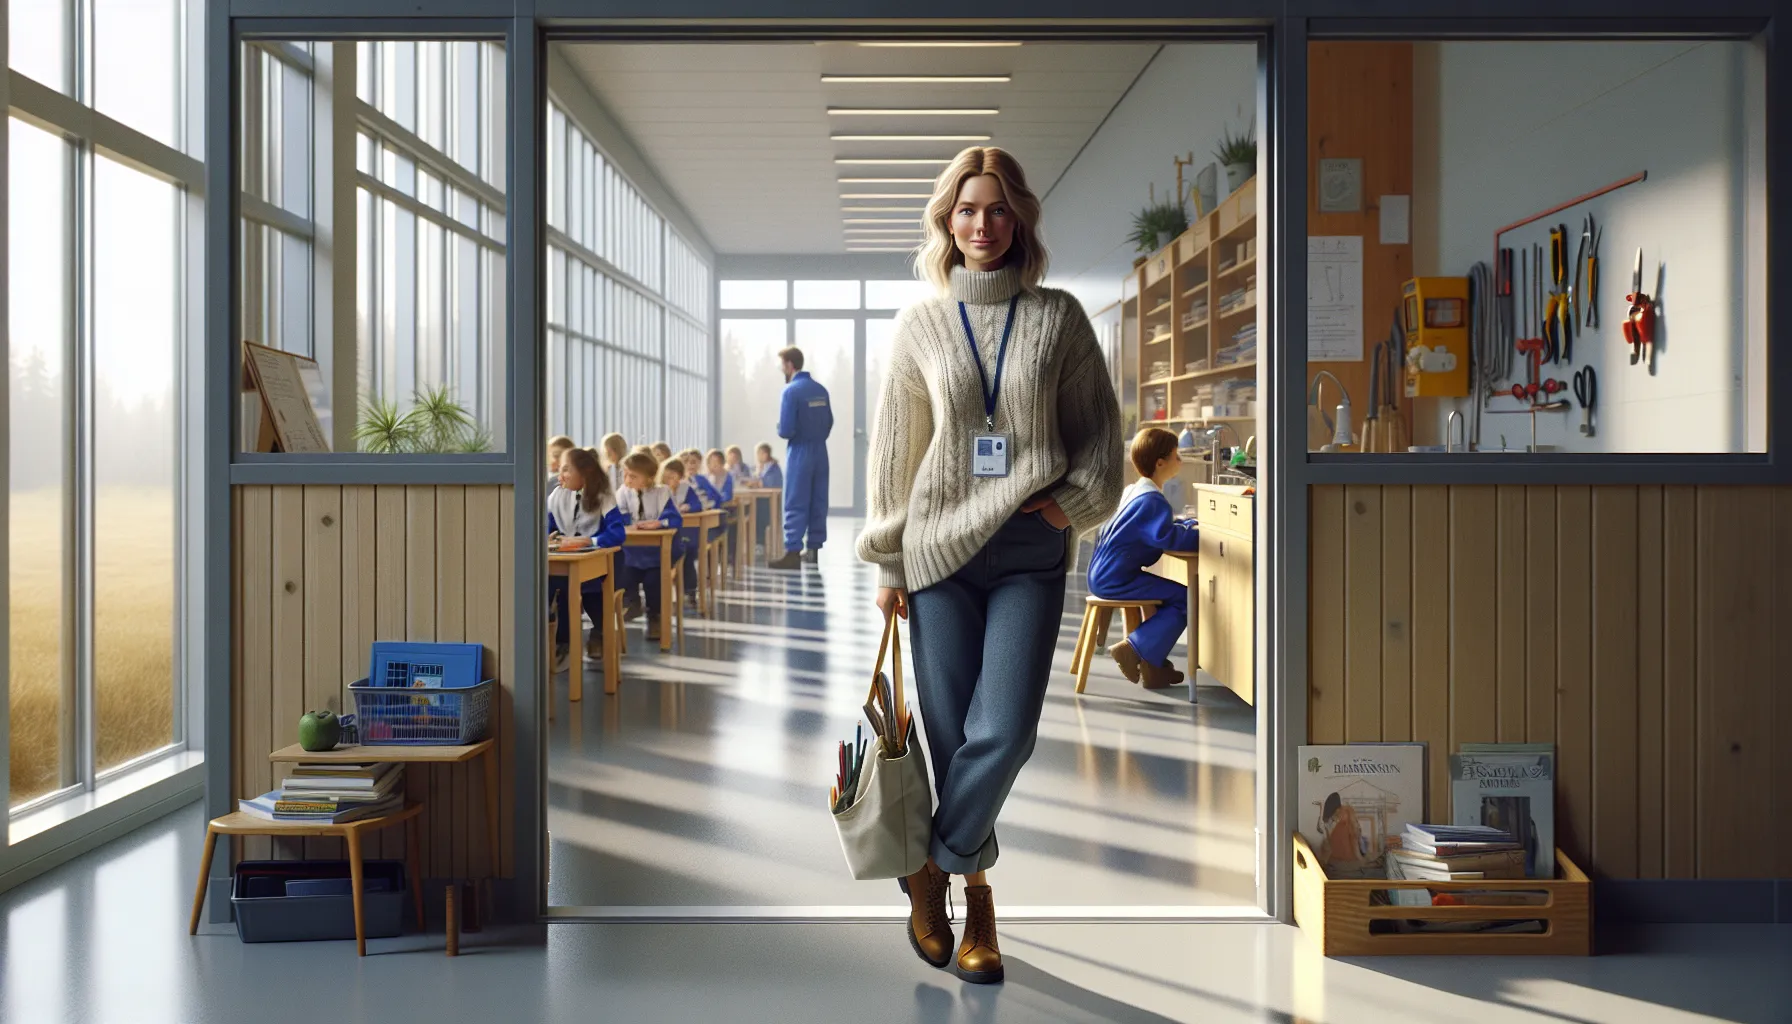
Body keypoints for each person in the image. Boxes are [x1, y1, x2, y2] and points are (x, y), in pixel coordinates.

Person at [856, 146, 1123, 984]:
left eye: (998, 209)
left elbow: (1101, 439)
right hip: (937, 552)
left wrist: (1067, 504)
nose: (982, 224)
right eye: (967, 210)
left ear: (1021, 220)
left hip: (1029, 550)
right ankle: (975, 898)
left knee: (1003, 731)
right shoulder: (920, 325)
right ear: (946, 221)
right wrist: (888, 563)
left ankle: (930, 867)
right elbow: (895, 454)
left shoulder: (1061, 317)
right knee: (948, 736)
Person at [1088, 427, 1199, 691]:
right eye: (1177, 456)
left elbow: (1160, 531)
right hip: (1116, 578)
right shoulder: (1152, 501)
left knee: (1171, 596)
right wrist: (1203, 534)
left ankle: (1153, 666)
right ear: (1161, 463)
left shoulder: (1133, 492)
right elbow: (1170, 538)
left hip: (1104, 573)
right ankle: (1135, 649)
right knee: (1185, 598)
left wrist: (1186, 524)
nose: (1180, 461)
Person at [546, 447, 626, 672]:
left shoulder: (604, 497)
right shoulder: (555, 496)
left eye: (566, 470)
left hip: (601, 567)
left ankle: (592, 634)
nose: (560, 476)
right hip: (567, 564)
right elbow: (548, 528)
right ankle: (557, 637)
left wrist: (589, 541)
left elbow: (618, 534)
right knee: (558, 585)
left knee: (579, 590)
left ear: (585, 473)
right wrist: (550, 537)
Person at [769, 347, 833, 570]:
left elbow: (786, 430)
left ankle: (793, 551)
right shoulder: (821, 390)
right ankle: (813, 550)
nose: (781, 369)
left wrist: (779, 427)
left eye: (781, 365)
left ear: (789, 365)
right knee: (818, 499)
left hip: (799, 452)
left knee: (795, 500)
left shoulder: (790, 391)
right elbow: (828, 424)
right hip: (820, 451)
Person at [615, 451, 682, 643]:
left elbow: (675, 518)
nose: (627, 479)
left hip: (657, 553)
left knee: (654, 580)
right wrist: (626, 522)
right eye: (625, 474)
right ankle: (632, 602)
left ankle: (655, 616)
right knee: (624, 574)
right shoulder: (622, 493)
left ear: (649, 477)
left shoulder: (662, 493)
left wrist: (659, 523)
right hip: (631, 552)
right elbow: (619, 516)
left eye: (633, 476)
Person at [661, 457, 704, 608]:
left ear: (680, 477)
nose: (671, 480)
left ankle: (690, 591)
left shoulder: (686, 488)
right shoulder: (659, 490)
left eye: (674, 477)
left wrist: (688, 507)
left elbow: (697, 505)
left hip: (685, 532)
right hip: (664, 533)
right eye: (668, 477)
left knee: (687, 553)